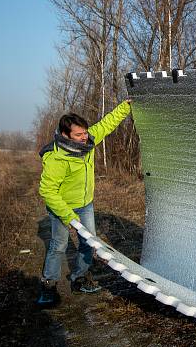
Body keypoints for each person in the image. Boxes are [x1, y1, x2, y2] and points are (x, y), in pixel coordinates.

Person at [36, 100, 132, 306]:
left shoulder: (87, 142)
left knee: (88, 242)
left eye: (85, 132)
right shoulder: (56, 159)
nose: (84, 137)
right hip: (61, 207)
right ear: (65, 135)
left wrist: (126, 107)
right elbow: (47, 191)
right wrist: (68, 216)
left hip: (85, 204)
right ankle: (49, 285)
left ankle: (79, 278)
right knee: (58, 246)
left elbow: (107, 123)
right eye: (79, 135)